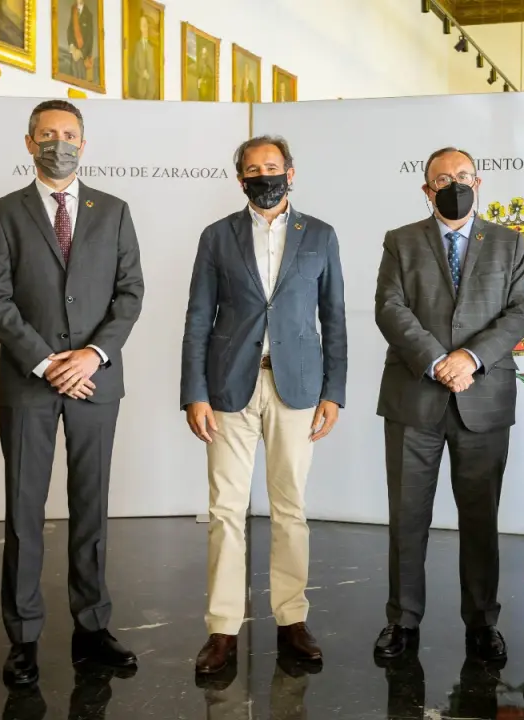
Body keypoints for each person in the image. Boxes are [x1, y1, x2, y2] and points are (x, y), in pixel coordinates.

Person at [0, 100, 145, 687]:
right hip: (30, 383)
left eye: (69, 134)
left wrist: (91, 355)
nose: (59, 143)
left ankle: (92, 628)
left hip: (96, 380)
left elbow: (130, 293)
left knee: (91, 508)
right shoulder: (3, 212)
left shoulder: (114, 211)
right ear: (29, 144)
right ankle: (23, 637)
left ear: (84, 143)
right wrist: (49, 363)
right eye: (47, 134)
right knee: (24, 512)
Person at [181, 136, 348, 674]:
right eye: (253, 170)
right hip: (229, 388)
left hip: (297, 387)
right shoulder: (216, 236)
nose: (263, 176)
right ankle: (222, 628)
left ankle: (291, 620)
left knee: (290, 508)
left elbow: (334, 317)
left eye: (272, 167)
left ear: (290, 173)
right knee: (226, 511)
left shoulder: (320, 235)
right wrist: (194, 393)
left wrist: (334, 392)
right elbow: (197, 318)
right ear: (240, 180)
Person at [372, 147, 524, 662]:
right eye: (443, 179)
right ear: (427, 190)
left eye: (463, 176)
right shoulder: (401, 241)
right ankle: (402, 621)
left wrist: (470, 358)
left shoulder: (508, 242)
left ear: (478, 182)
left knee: (481, 519)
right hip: (414, 397)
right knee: (407, 517)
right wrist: (436, 360)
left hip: (482, 398)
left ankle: (483, 623)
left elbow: (522, 311)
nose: (455, 185)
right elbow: (389, 307)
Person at [132, 14, 156, 99]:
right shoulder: (136, 46)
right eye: (143, 25)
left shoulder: (152, 47)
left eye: (146, 24)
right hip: (140, 89)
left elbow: (154, 68)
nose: (145, 27)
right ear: (140, 28)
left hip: (151, 89)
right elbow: (134, 65)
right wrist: (142, 73)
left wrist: (153, 86)